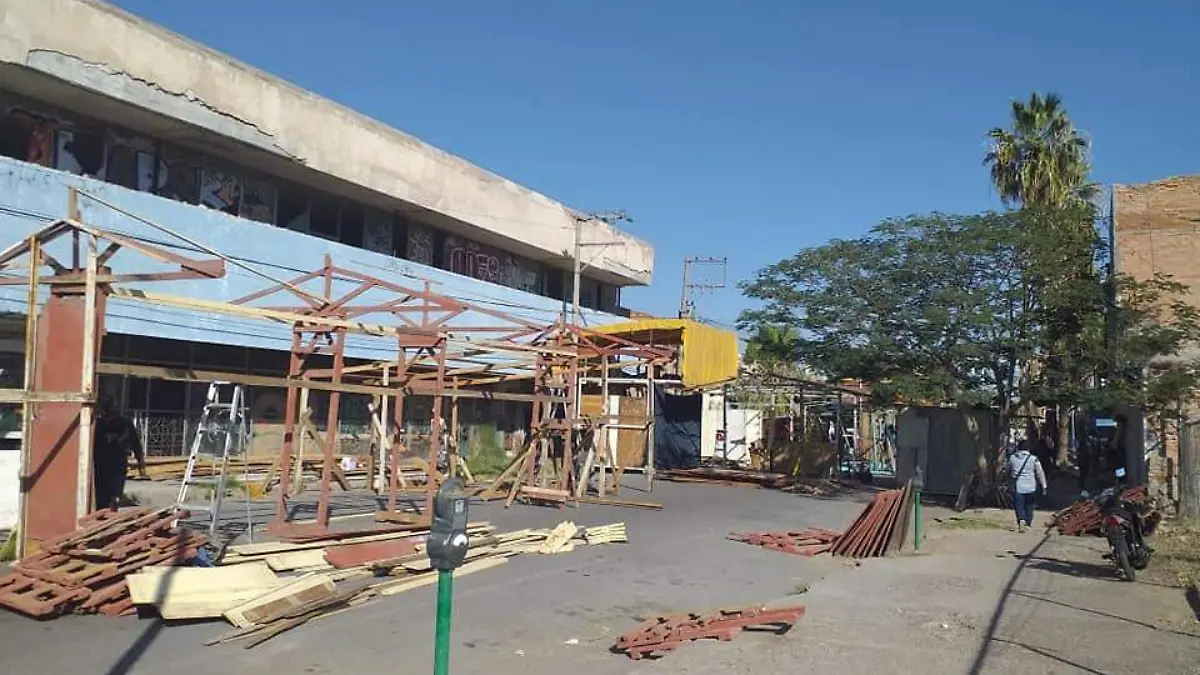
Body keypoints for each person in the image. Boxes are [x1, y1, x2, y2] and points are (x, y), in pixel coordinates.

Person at [93, 396, 146, 510]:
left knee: (115, 496)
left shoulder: (125, 423)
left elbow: (136, 444)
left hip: (117, 466)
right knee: (100, 497)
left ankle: (110, 515)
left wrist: (141, 465)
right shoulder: (97, 424)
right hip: (100, 467)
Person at [1007, 440, 1048, 532]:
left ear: (1018, 447)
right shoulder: (1034, 459)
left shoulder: (1012, 458)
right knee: (1029, 506)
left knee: (1019, 506)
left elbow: (1008, 471)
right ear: (1028, 448)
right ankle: (1028, 523)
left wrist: (1009, 480)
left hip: (1017, 487)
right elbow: (1040, 473)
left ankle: (1021, 520)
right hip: (1031, 487)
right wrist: (1044, 486)